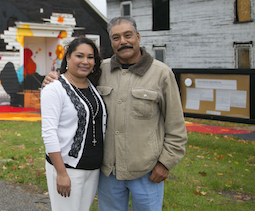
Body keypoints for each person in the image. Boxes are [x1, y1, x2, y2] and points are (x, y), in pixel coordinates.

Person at [42, 16, 187, 211]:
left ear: (138, 37)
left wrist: (166, 163)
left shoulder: (161, 74)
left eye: (128, 35)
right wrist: (51, 79)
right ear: (111, 42)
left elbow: (176, 126)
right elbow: (73, 86)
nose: (123, 41)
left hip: (146, 171)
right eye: (116, 37)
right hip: (108, 173)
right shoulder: (101, 70)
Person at [41, 37, 107, 211]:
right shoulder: (54, 88)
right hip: (67, 168)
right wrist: (61, 173)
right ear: (68, 57)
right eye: (80, 56)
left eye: (90, 57)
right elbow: (49, 133)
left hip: (93, 168)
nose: (85, 61)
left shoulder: (93, 86)